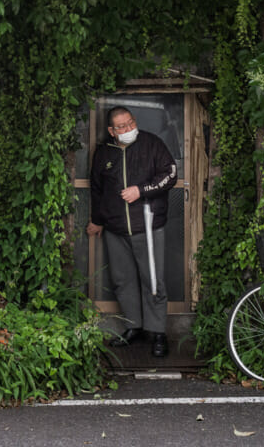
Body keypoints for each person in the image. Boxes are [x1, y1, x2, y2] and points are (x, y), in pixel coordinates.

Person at [86, 105, 175, 358]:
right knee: (122, 281)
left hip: (147, 225)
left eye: (130, 123)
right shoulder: (104, 153)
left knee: (153, 281)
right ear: (112, 131)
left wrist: (141, 190)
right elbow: (97, 189)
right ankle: (133, 326)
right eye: (122, 127)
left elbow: (170, 174)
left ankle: (157, 332)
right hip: (115, 229)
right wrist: (98, 220)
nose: (128, 129)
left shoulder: (151, 144)